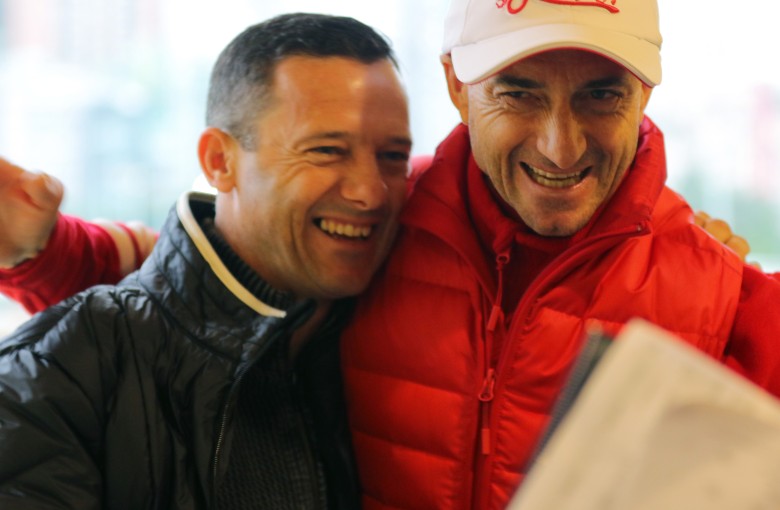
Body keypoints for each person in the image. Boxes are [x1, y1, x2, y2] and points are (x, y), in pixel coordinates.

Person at [2, 1, 780, 509]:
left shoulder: (726, 292)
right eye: (519, 90)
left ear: (647, 91)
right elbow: (199, 295)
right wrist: (43, 246)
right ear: (456, 83)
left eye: (601, 93)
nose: (560, 144)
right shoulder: (379, 220)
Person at [0, 12, 412, 509]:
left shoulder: (383, 325)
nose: (371, 192)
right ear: (219, 161)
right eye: (326, 150)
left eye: (393, 156)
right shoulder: (55, 376)